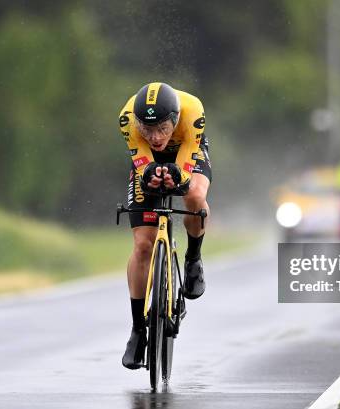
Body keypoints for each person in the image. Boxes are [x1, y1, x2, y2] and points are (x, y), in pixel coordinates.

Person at [118, 82, 211, 369]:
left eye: (161, 128)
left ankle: (193, 258)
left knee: (194, 194)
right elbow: (143, 163)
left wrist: (178, 178)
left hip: (186, 152)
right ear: (136, 124)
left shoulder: (193, 110)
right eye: (147, 130)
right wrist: (151, 174)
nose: (156, 136)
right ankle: (137, 329)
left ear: (174, 118)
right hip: (148, 163)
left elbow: (185, 169)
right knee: (143, 245)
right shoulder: (126, 119)